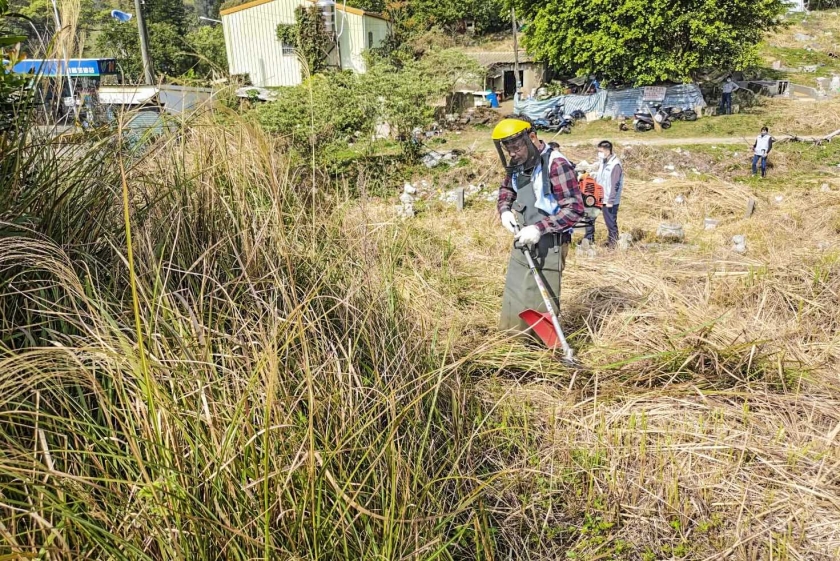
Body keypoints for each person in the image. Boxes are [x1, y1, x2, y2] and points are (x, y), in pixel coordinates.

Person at [493, 116, 584, 335]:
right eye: (508, 150)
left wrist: (539, 228)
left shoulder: (557, 165)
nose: (512, 154)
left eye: (516, 148)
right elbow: (507, 190)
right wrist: (505, 210)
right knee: (516, 294)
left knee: (539, 300)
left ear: (532, 137)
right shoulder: (517, 163)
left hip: (550, 243)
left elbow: (574, 209)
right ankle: (513, 341)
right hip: (522, 239)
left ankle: (539, 349)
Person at [584, 140, 624, 247]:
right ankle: (589, 239)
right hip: (598, 196)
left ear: (607, 151)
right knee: (589, 217)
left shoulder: (615, 165)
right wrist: (591, 175)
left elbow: (615, 185)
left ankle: (613, 243)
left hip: (609, 199)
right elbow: (601, 176)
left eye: (600, 151)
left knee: (610, 222)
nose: (599, 154)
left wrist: (610, 200)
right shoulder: (603, 161)